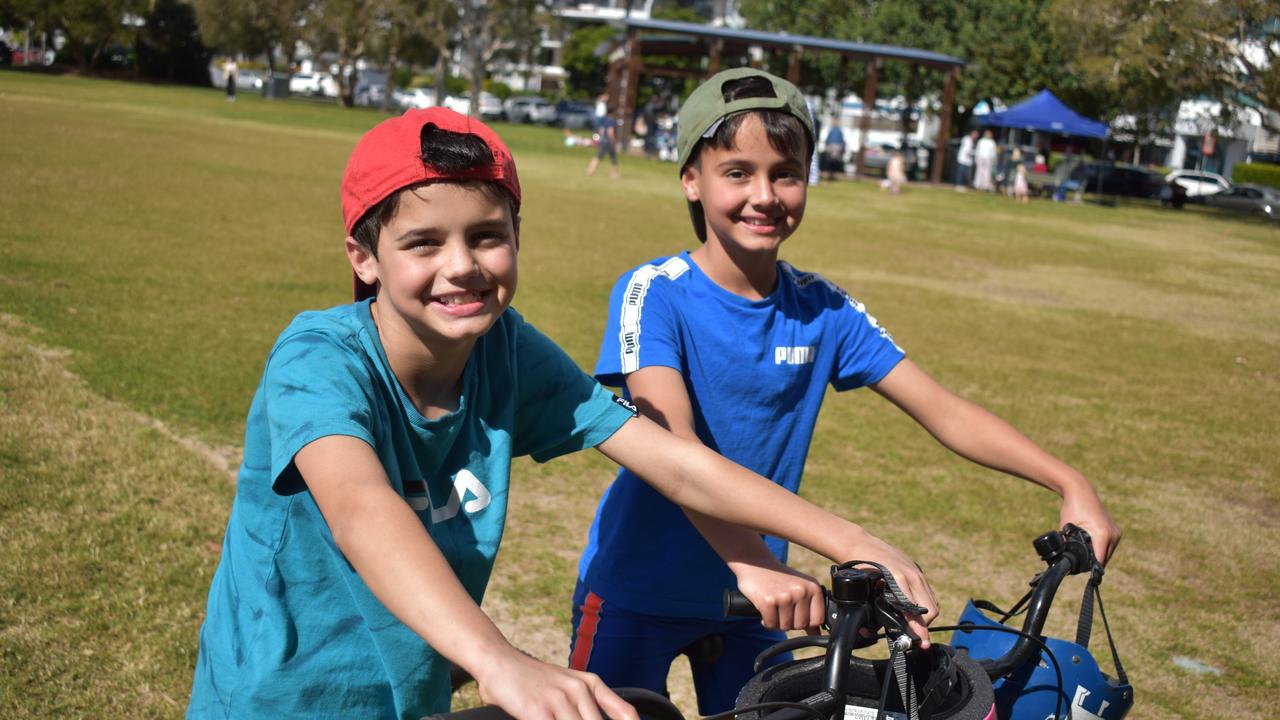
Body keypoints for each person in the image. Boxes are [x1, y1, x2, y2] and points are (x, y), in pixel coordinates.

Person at [185, 107, 938, 720]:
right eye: (424, 242)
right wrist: (497, 659)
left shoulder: (504, 349)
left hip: (411, 691)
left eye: (487, 235)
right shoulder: (320, 358)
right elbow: (361, 507)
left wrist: (853, 541)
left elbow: (668, 457)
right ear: (364, 256)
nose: (463, 265)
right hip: (280, 698)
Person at [569, 68, 1120, 715]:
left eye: (787, 171)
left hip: (761, 605)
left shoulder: (823, 309)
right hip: (641, 591)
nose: (766, 194)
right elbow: (671, 445)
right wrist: (752, 558)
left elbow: (943, 409)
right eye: (738, 172)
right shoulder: (654, 292)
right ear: (691, 178)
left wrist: (1069, 482)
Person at [586, 93, 620, 179]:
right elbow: (610, 132)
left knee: (599, 156)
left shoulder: (604, 119)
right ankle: (614, 174)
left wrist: (601, 138)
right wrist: (613, 140)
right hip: (608, 141)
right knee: (613, 158)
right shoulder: (612, 120)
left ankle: (590, 169)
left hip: (603, 140)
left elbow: (601, 130)